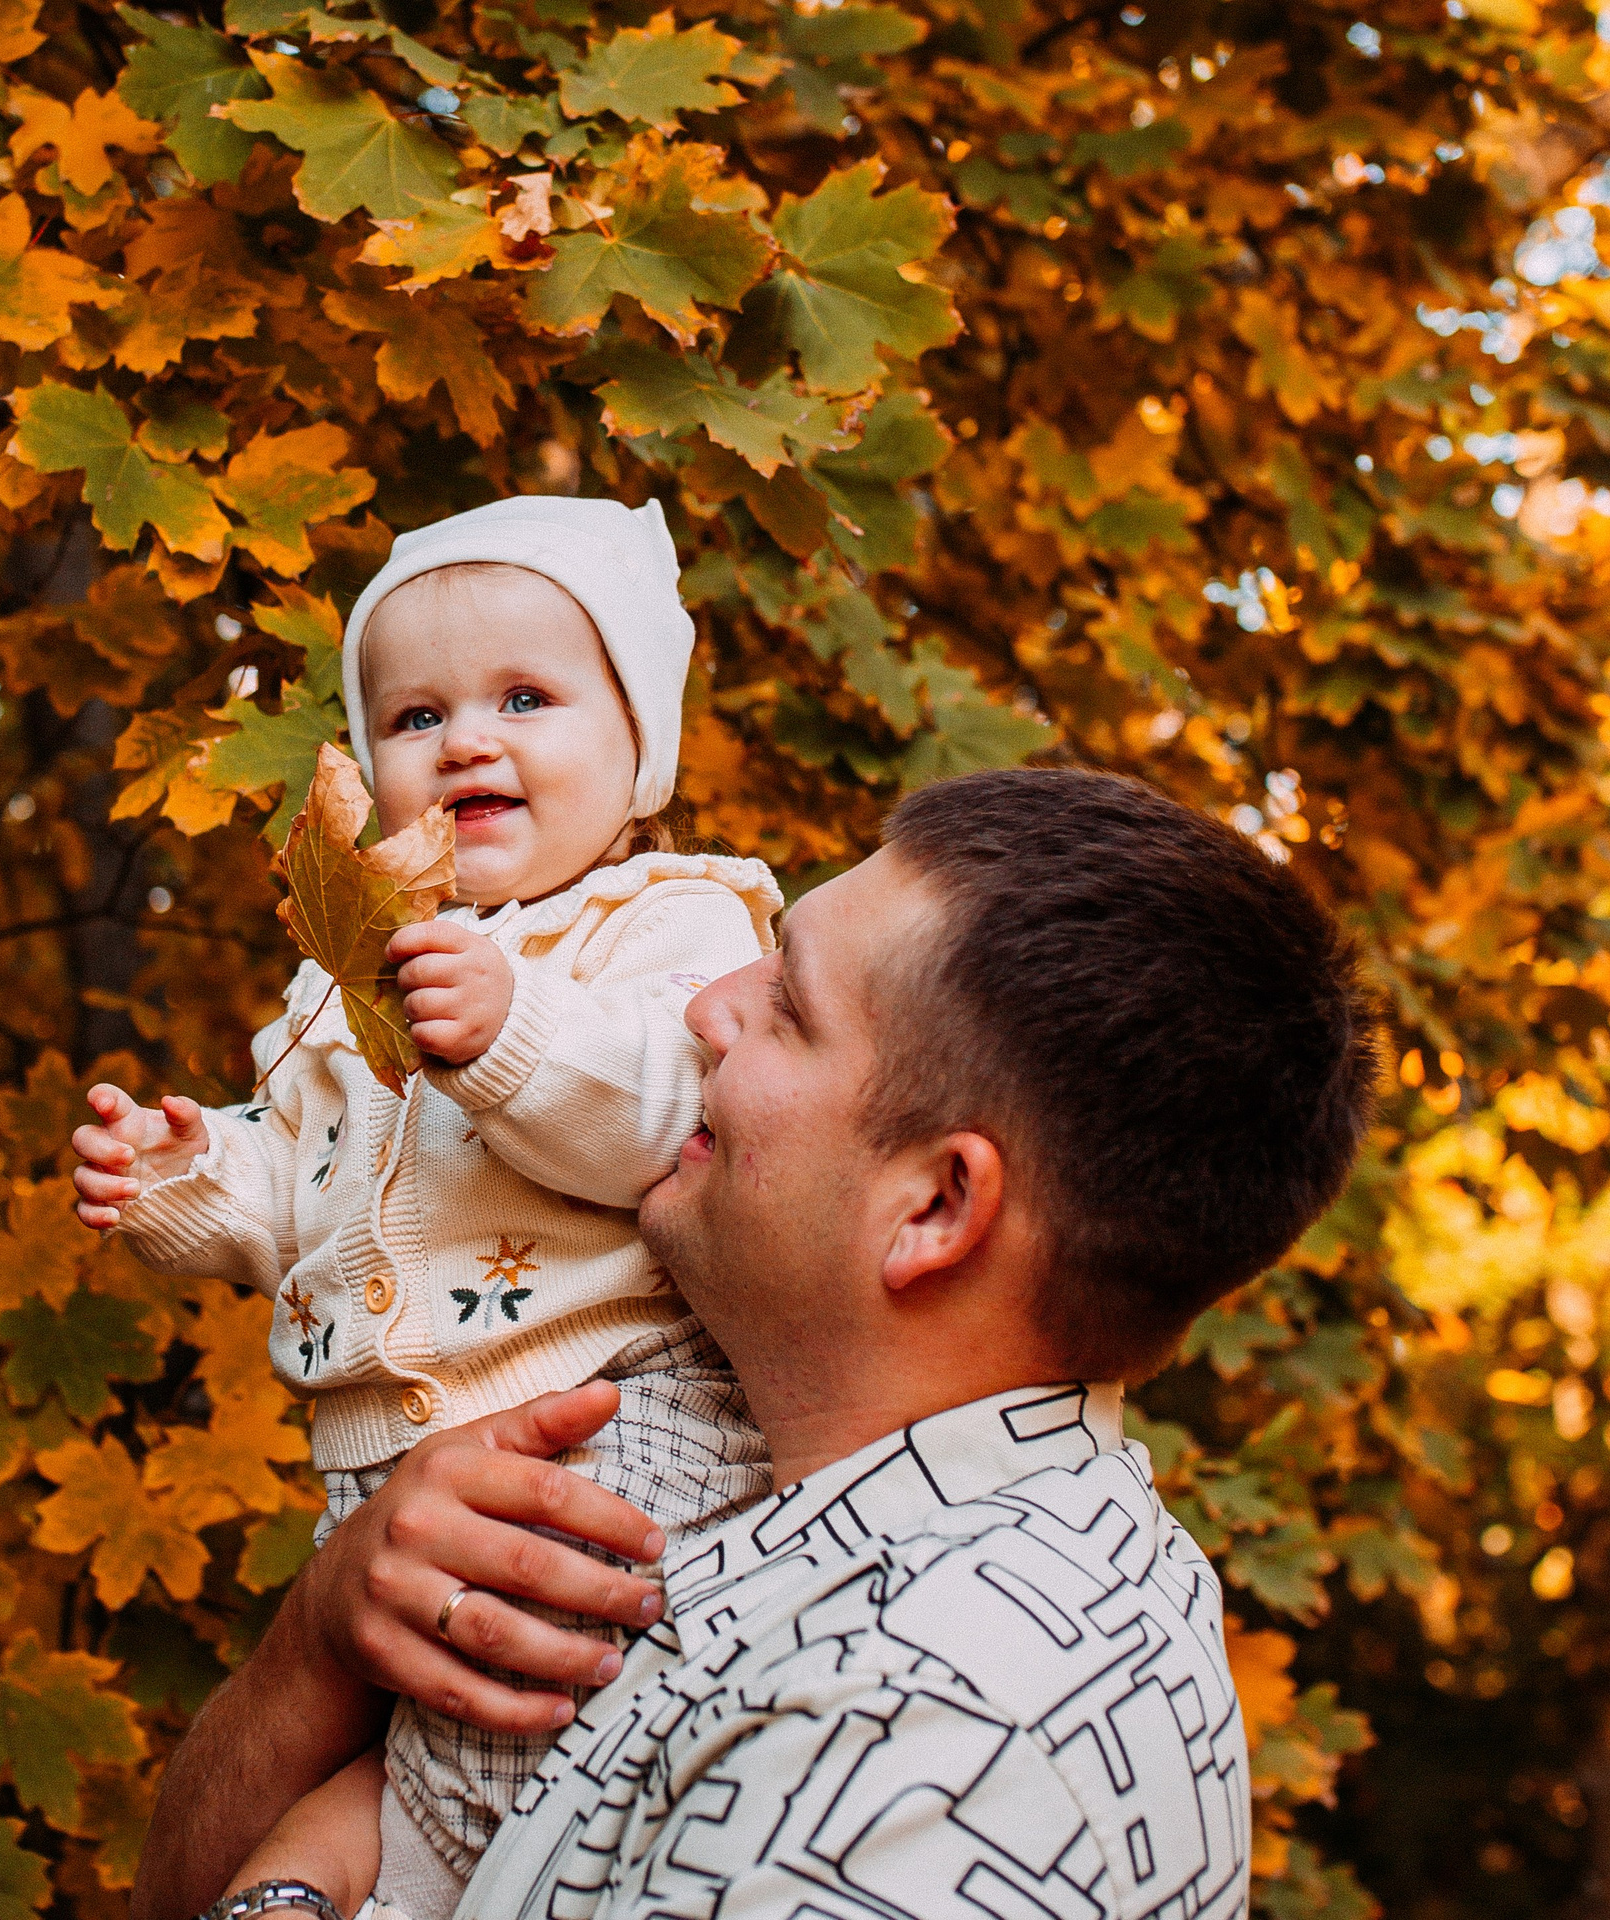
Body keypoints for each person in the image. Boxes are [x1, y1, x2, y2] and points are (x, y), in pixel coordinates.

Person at [136, 766, 1380, 1920]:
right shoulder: (718, 1498)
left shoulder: (941, 1745)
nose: (704, 1007)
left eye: (786, 1005)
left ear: (936, 1209)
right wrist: (321, 1640)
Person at [72, 496, 784, 1918]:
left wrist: (515, 1027)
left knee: (522, 1749)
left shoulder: (671, 922)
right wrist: (185, 1177)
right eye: (413, 716)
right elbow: (291, 1197)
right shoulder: (343, 977)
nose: (466, 740)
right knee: (416, 1756)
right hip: (375, 1472)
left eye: (527, 697)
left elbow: (673, 1117)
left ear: (638, 749)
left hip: (609, 1421)